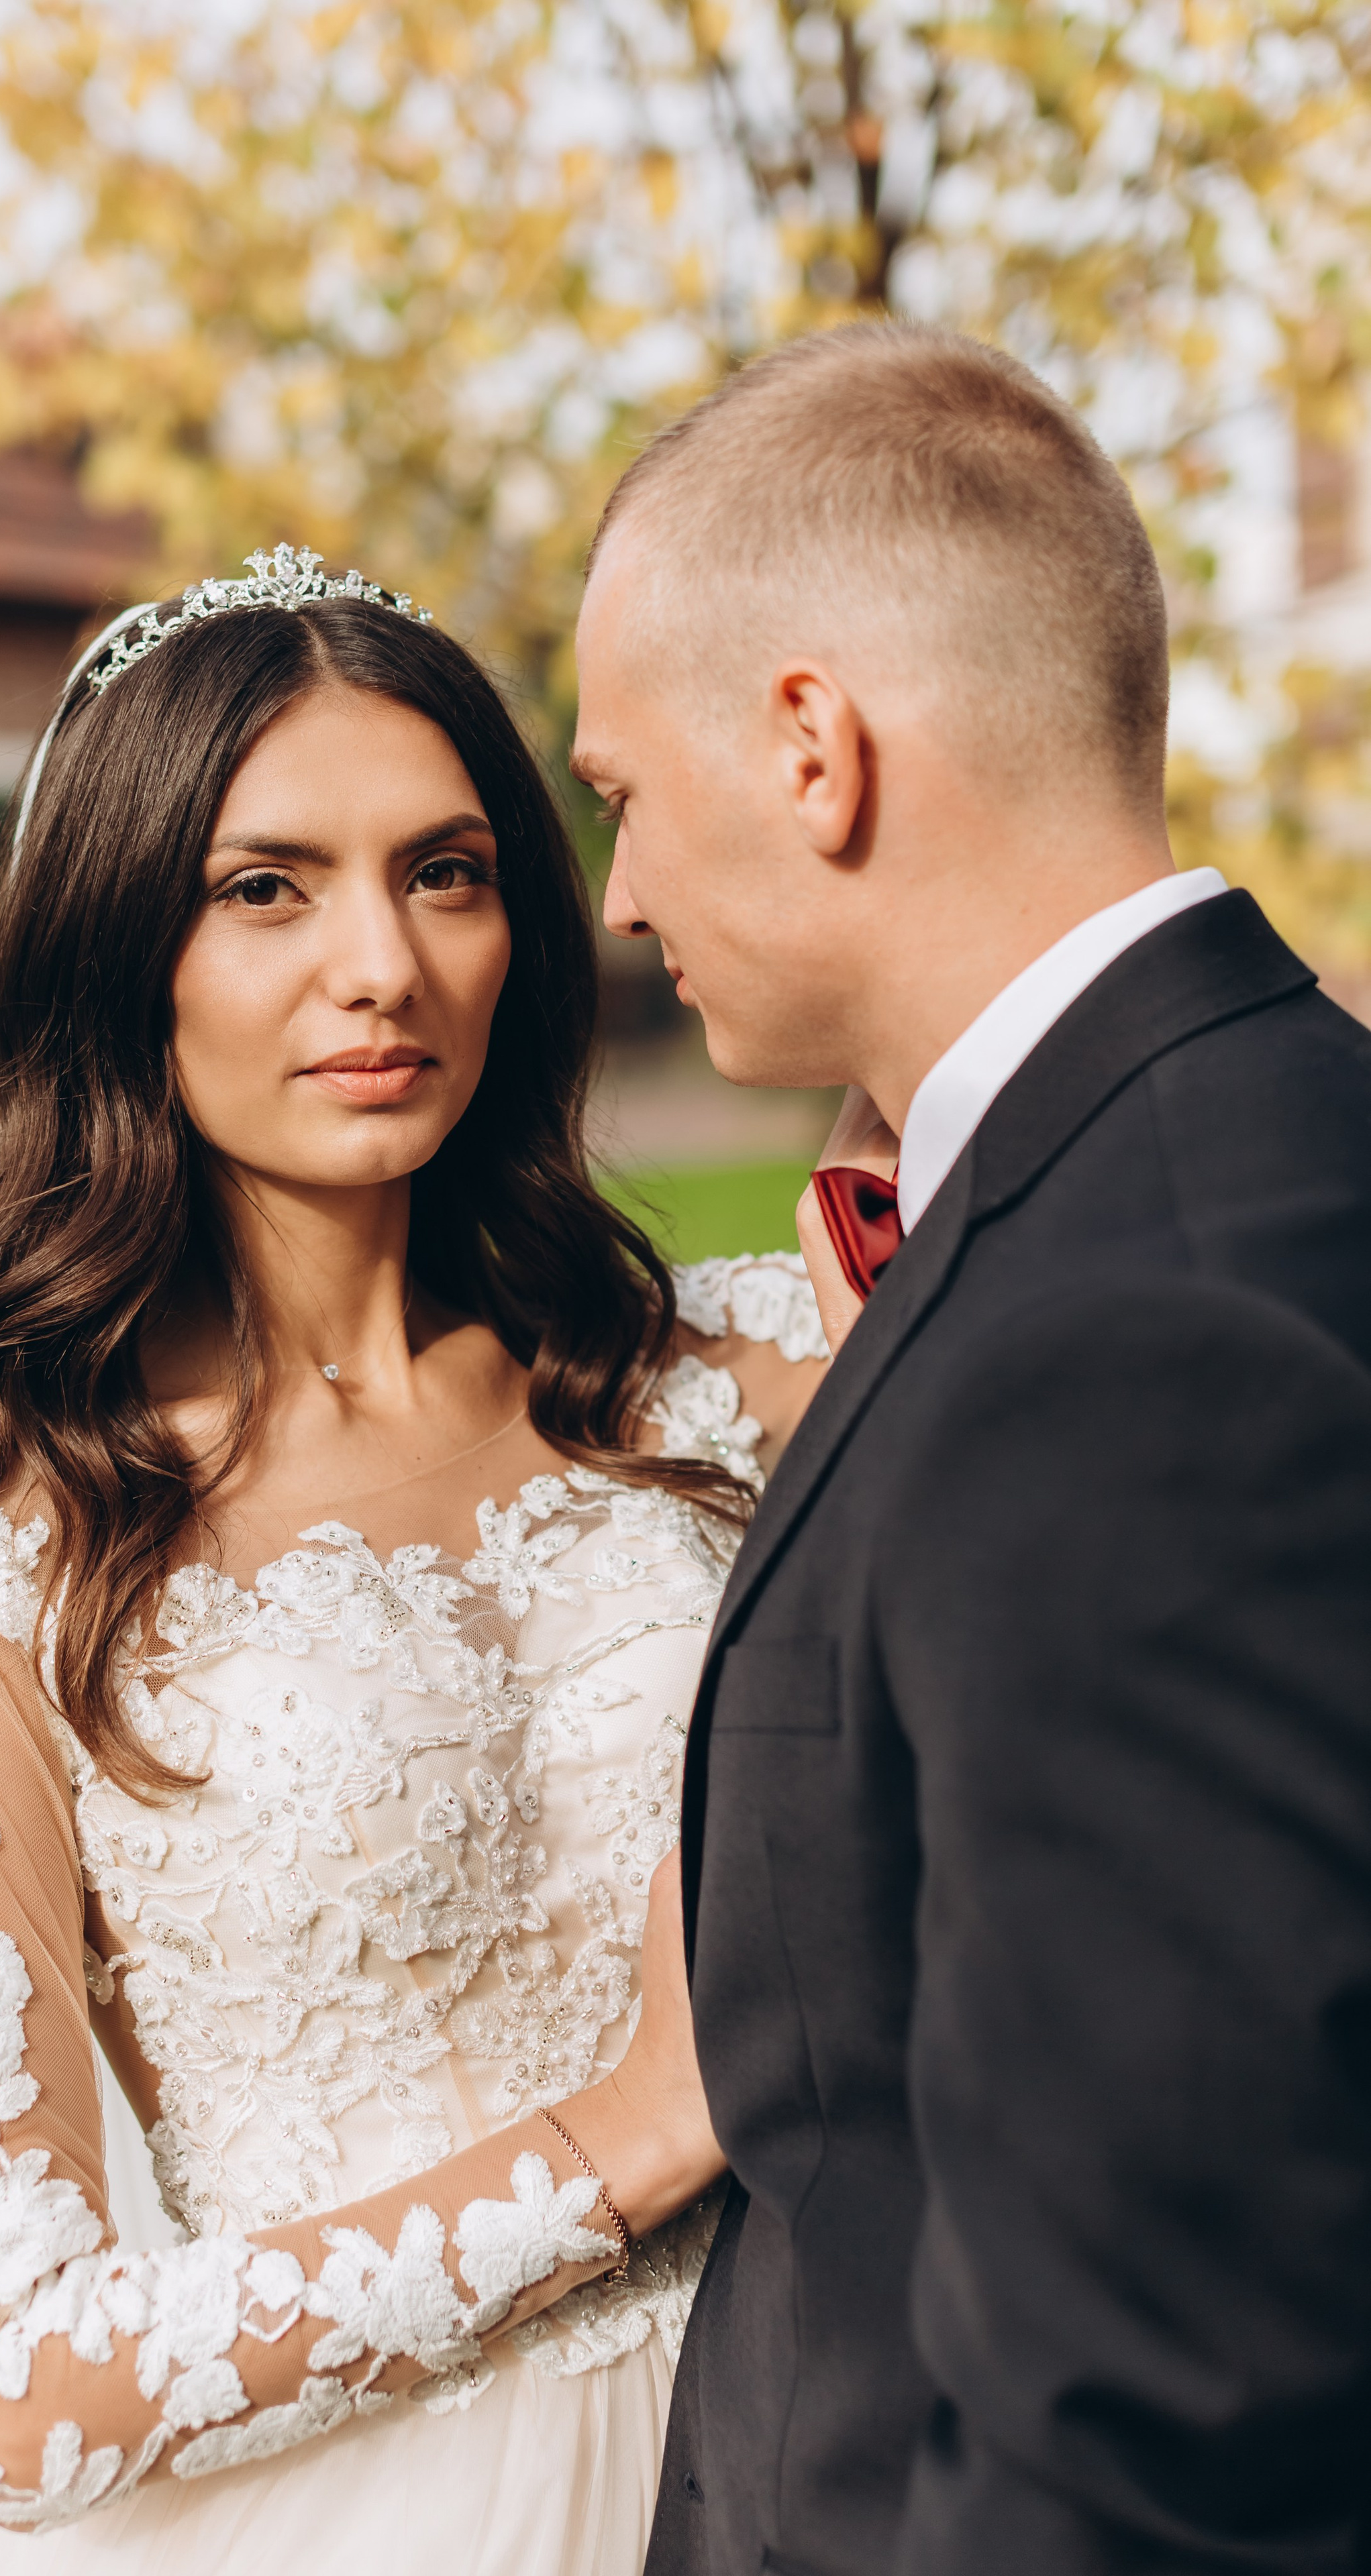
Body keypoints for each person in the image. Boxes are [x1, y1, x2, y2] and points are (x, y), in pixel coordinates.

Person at [0, 547, 831, 2573]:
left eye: (448, 871)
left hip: (813, 2450)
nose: (381, 967)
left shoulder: (740, 1375)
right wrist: (630, 2139)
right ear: (119, 947)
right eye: (266, 887)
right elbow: (9, 2386)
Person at [572, 325, 1371, 2573]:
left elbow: (1161, 2414)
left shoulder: (1125, 1350)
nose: (614, 894)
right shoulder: (1255, 1150)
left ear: (811, 748)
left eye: (620, 789)